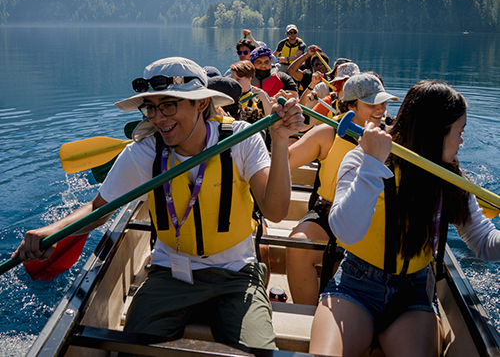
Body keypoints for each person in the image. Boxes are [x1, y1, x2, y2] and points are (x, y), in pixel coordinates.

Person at [14, 57, 304, 350]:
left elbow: (275, 212)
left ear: (201, 104)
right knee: (130, 349)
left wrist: (279, 142)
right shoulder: (143, 152)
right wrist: (54, 230)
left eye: (168, 104)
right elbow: (98, 208)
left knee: (260, 353)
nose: (158, 118)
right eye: (151, 107)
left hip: (237, 273)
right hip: (170, 273)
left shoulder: (241, 139)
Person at [310, 80, 500, 357]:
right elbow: (345, 233)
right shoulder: (361, 160)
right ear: (435, 133)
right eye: (459, 132)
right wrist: (372, 165)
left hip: (414, 293)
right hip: (357, 284)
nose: (462, 141)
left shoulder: (450, 179)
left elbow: (485, 243)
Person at [287, 73, 399, 305]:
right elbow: (285, 160)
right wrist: (280, 136)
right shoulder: (327, 133)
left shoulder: (394, 138)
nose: (381, 109)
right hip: (328, 212)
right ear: (350, 105)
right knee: (297, 246)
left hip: (376, 217)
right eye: (371, 104)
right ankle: (308, 315)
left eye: (383, 103)